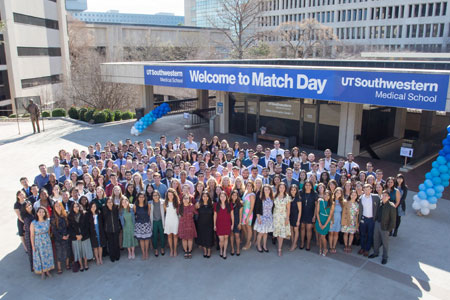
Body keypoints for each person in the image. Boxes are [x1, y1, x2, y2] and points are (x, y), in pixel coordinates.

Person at [369, 190, 397, 264]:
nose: (383, 197)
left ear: (388, 197)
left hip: (385, 226)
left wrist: (389, 229)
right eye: (382, 195)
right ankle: (376, 253)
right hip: (377, 223)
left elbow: (393, 220)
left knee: (385, 243)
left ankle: (385, 257)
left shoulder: (391, 206)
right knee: (376, 239)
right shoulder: (379, 203)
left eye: (385, 196)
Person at [30, 207, 54, 279]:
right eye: (39, 212)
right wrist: (33, 245)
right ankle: (42, 272)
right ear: (37, 213)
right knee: (40, 256)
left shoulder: (47, 221)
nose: (41, 213)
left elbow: (49, 232)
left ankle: (47, 271)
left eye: (43, 212)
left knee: (47, 256)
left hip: (46, 241)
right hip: (38, 241)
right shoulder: (33, 223)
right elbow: (32, 235)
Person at [68, 202, 93, 272]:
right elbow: (70, 228)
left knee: (84, 251)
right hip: (75, 237)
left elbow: (87, 226)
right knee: (78, 252)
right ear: (72, 208)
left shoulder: (84, 214)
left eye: (77, 206)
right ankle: (81, 265)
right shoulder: (69, 216)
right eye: (74, 207)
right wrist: (76, 235)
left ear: (79, 207)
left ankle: (85, 264)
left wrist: (82, 235)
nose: (76, 208)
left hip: (84, 236)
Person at [358, 184, 380, 257]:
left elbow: (379, 207)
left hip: (371, 219)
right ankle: (362, 248)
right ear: (363, 190)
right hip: (363, 219)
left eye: (368, 189)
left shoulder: (376, 197)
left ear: (371, 190)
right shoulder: (361, 198)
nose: (367, 191)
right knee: (362, 234)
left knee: (370, 235)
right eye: (365, 189)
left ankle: (367, 249)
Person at [51, 201, 70, 274]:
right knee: (59, 252)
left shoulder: (65, 214)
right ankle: (59, 267)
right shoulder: (53, 217)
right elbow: (54, 230)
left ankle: (67, 264)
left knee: (67, 250)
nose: (58, 207)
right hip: (58, 238)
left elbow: (68, 226)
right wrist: (61, 237)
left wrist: (68, 234)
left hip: (66, 235)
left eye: (59, 206)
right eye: (56, 206)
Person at [254, 185, 274, 253]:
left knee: (266, 233)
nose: (267, 191)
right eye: (265, 189)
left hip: (269, 217)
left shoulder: (271, 198)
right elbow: (257, 208)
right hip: (262, 217)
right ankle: (258, 245)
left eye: (268, 189)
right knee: (261, 233)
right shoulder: (260, 198)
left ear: (270, 190)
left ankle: (264, 245)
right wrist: (258, 218)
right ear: (263, 190)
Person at [214, 191, 234, 259]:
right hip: (219, 224)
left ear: (226, 197)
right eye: (221, 196)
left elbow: (232, 215)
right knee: (221, 239)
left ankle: (224, 251)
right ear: (219, 197)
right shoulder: (216, 205)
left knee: (226, 238)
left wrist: (232, 224)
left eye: (224, 196)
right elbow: (215, 215)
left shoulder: (229, 204)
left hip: (227, 224)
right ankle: (221, 250)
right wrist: (214, 225)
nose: (222, 197)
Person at [272, 182, 291, 256]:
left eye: (283, 187)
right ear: (278, 188)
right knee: (277, 232)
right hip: (276, 216)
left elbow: (288, 209)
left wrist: (287, 218)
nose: (282, 189)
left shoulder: (287, 197)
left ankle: (279, 249)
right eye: (280, 187)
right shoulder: (275, 195)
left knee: (281, 233)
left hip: (283, 217)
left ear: (285, 188)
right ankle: (279, 245)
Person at [178, 194, 198, 259]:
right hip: (182, 224)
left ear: (189, 199)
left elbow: (196, 213)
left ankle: (189, 251)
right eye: (184, 198)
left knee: (190, 238)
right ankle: (185, 251)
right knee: (184, 238)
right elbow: (177, 213)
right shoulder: (179, 206)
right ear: (182, 199)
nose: (186, 200)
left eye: (187, 198)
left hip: (190, 224)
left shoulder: (192, 206)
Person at [315, 190, 334, 256]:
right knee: (320, 235)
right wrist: (319, 223)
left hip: (326, 221)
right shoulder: (320, 202)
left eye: (328, 195)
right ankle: (320, 248)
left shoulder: (332, 204)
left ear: (330, 196)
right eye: (325, 194)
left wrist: (325, 225)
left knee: (323, 236)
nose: (326, 196)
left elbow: (330, 216)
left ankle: (325, 248)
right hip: (320, 219)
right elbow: (317, 212)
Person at [133, 192, 152, 260]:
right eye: (140, 197)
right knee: (141, 240)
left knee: (146, 239)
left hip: (146, 224)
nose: (141, 198)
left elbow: (149, 214)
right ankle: (143, 253)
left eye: (143, 197)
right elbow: (134, 214)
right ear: (138, 198)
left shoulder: (148, 205)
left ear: (145, 198)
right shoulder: (135, 205)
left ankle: (146, 252)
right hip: (139, 224)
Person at [300, 181, 317, 251]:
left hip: (311, 213)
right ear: (304, 186)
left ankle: (308, 244)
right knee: (302, 228)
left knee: (309, 229)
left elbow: (316, 206)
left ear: (311, 186)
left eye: (309, 185)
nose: (307, 186)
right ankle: (302, 242)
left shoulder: (314, 194)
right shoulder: (301, 192)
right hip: (302, 213)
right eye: (306, 185)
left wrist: (314, 216)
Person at [196, 192, 214, 258]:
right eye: (203, 196)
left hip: (210, 224)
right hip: (201, 224)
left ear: (208, 197)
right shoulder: (198, 205)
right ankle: (205, 251)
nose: (205, 198)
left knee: (209, 237)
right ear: (202, 197)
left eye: (206, 196)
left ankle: (209, 251)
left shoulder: (212, 205)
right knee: (203, 237)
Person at [103, 198, 121, 262]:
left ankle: (117, 255)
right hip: (108, 229)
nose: (110, 203)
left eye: (111, 202)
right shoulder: (104, 209)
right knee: (110, 243)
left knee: (116, 242)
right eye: (108, 202)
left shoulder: (116, 208)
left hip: (116, 228)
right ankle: (112, 256)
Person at [164, 188, 180, 257]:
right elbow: (165, 212)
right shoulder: (165, 203)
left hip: (175, 220)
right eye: (169, 195)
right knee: (169, 236)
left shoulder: (177, 203)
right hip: (168, 220)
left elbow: (178, 213)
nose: (170, 196)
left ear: (174, 195)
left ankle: (175, 250)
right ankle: (171, 250)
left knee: (175, 236)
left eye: (171, 195)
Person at [150, 191, 165, 257]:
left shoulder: (162, 202)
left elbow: (165, 211)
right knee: (155, 236)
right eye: (154, 195)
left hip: (161, 220)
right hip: (154, 221)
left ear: (159, 195)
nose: (155, 196)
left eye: (156, 195)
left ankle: (162, 248)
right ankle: (155, 249)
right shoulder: (150, 203)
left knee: (162, 235)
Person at [329, 187, 344, 254]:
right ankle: (330, 246)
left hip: (339, 219)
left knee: (336, 233)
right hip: (332, 219)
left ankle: (334, 246)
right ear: (334, 193)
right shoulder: (331, 200)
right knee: (331, 233)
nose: (338, 194)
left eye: (340, 193)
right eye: (337, 192)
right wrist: (331, 220)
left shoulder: (342, 202)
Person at [241, 181, 256, 250]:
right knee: (243, 226)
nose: (249, 187)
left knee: (248, 227)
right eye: (248, 185)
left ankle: (248, 243)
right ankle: (248, 240)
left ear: (252, 187)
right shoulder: (245, 192)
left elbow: (252, 207)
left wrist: (248, 217)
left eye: (250, 185)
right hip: (243, 212)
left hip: (248, 213)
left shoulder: (252, 195)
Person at [22, 201, 35, 272]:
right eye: (27, 206)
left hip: (34, 234)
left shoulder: (33, 213)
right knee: (31, 251)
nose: (29, 207)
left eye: (30, 205)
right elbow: (29, 228)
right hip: (30, 235)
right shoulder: (27, 217)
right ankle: (33, 267)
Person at [288, 184, 302, 251]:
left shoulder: (298, 199)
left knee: (296, 230)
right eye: (292, 190)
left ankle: (294, 244)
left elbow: (300, 211)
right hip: (290, 216)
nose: (293, 191)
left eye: (294, 190)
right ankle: (293, 242)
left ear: (296, 191)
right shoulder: (289, 198)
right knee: (291, 230)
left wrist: (298, 220)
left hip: (296, 216)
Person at [229, 190, 243, 256]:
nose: (234, 196)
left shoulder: (240, 203)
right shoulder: (229, 203)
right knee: (231, 235)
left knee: (237, 235)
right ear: (231, 196)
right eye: (233, 195)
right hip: (230, 221)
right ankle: (232, 248)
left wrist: (240, 223)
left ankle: (238, 249)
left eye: (235, 195)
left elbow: (241, 214)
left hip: (237, 221)